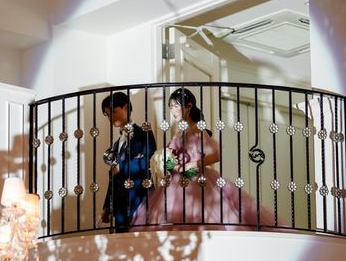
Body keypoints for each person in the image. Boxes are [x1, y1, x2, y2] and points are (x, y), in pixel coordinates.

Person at [131, 88, 276, 229]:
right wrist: (168, 163)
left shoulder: (198, 129)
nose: (173, 110)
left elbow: (216, 155)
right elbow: (171, 154)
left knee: (199, 216)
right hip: (176, 182)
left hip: (195, 179)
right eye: (171, 107)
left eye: (176, 106)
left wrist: (191, 164)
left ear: (189, 106)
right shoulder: (179, 133)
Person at [101, 92, 156, 232]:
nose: (110, 117)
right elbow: (113, 177)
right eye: (107, 114)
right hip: (120, 206)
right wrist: (107, 206)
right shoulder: (116, 144)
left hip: (140, 199)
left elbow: (149, 163)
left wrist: (121, 167)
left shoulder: (144, 133)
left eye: (113, 111)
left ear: (126, 107)